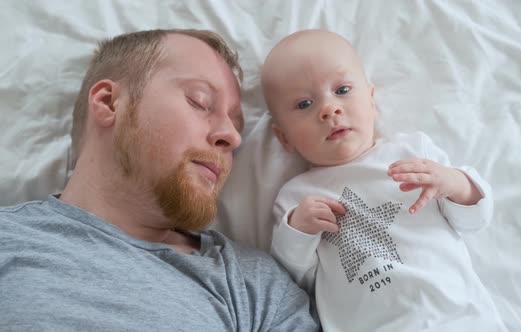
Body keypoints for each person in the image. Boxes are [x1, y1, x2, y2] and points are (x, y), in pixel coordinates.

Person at [0, 29, 319, 331]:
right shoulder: (10, 239)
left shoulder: (259, 288)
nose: (232, 138)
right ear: (110, 102)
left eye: (237, 126)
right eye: (200, 101)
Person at [261, 29, 507, 331]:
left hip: (457, 318)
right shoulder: (295, 196)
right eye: (304, 105)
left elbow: (475, 219)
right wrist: (297, 229)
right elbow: (294, 278)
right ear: (284, 137)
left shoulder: (413, 152)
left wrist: (454, 182)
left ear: (372, 100)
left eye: (342, 90)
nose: (329, 109)